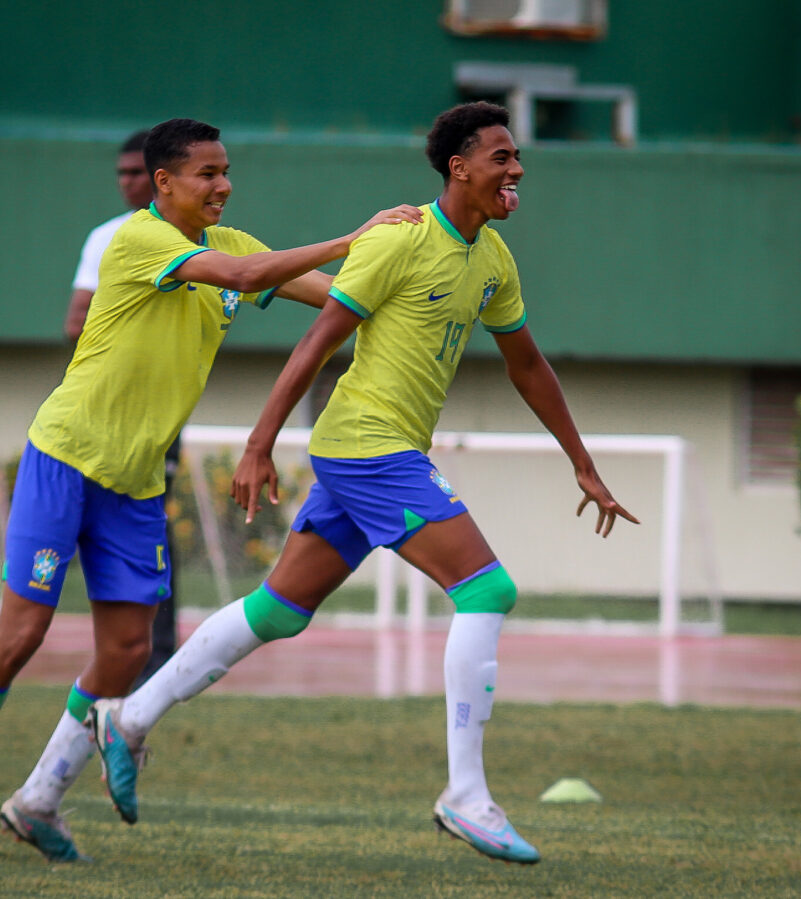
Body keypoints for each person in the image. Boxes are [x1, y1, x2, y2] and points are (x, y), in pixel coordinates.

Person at [87, 101, 638, 867]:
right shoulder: (402, 240)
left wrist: (581, 459)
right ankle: (465, 795)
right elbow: (318, 340)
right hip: (366, 448)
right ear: (460, 168)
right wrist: (258, 443)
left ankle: (131, 716)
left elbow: (527, 365)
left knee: (276, 612)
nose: (516, 170)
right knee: (486, 590)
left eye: (518, 159)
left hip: (371, 452)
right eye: (503, 156)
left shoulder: (494, 261)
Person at [0, 117, 422, 863]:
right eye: (207, 174)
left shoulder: (234, 243)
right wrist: (354, 233)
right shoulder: (139, 241)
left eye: (227, 170)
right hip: (66, 457)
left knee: (126, 651)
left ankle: (39, 797)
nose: (223, 185)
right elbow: (248, 279)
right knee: (19, 636)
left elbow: (334, 297)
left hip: (138, 480)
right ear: (164, 183)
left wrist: (414, 296)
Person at [64, 129, 178, 682]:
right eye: (122, 174)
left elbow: (250, 275)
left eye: (136, 172)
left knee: (153, 521)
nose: (127, 183)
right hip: (96, 418)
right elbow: (74, 321)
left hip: (158, 418)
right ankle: (116, 653)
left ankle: (155, 655)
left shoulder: (208, 241)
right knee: (89, 529)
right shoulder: (112, 238)